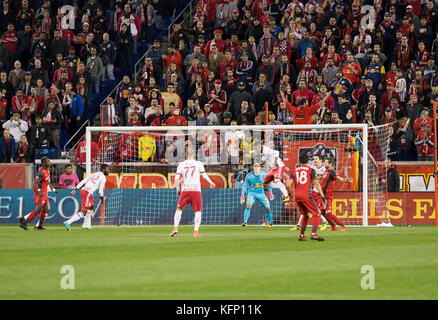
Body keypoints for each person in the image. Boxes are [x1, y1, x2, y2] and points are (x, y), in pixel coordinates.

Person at [170, 146, 216, 238]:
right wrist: (211, 182)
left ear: (186, 154)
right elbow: (204, 176)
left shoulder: (181, 164)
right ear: (194, 154)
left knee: (179, 209)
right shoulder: (198, 163)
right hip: (196, 190)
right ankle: (195, 232)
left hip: (185, 189)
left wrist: (178, 189)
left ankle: (175, 228)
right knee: (198, 211)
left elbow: (176, 178)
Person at [288, 153, 326, 241]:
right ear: (308, 161)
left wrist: (290, 195)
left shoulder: (294, 171)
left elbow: (288, 185)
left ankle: (301, 235)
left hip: (297, 196)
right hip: (306, 195)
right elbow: (316, 184)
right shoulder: (311, 170)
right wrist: (322, 196)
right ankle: (314, 234)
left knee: (305, 214)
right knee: (317, 213)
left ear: (299, 161)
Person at [64, 164, 109, 231]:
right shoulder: (103, 177)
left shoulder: (93, 174)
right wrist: (102, 199)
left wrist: (75, 189)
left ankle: (86, 225)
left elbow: (83, 181)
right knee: (84, 212)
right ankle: (68, 222)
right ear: (104, 169)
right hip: (88, 192)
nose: (108, 171)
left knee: (91, 207)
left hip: (84, 190)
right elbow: (100, 190)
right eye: (107, 169)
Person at [19, 157, 58, 230]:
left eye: (49, 161)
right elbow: (34, 183)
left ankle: (39, 226)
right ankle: (24, 222)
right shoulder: (41, 172)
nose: (49, 162)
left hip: (44, 193)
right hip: (40, 193)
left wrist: (53, 189)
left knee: (46, 209)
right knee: (39, 209)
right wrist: (39, 190)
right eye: (47, 161)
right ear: (43, 163)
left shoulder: (48, 170)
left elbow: (47, 181)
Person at [320, 158, 352, 231]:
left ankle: (343, 226)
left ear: (330, 164)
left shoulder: (332, 172)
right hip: (323, 196)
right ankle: (333, 226)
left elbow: (340, 179)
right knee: (322, 212)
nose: (324, 163)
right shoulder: (326, 171)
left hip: (328, 196)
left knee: (328, 212)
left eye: (326, 162)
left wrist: (346, 180)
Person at [240, 162, 273, 227]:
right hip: (251, 193)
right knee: (248, 205)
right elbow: (245, 186)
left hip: (261, 194)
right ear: (253, 167)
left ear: (260, 167)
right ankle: (245, 222)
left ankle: (269, 223)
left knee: (268, 207)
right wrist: (242, 195)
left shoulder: (264, 175)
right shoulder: (249, 176)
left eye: (258, 166)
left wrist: (270, 193)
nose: (256, 167)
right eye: (255, 166)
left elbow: (268, 184)